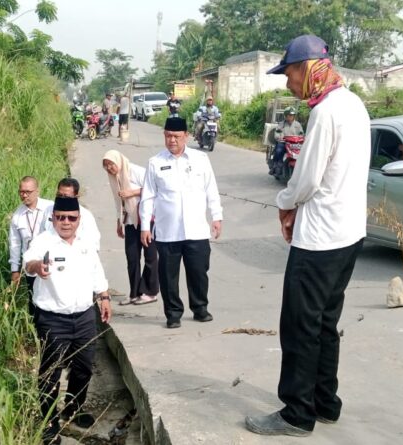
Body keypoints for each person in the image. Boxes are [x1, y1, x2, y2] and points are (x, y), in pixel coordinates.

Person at [244, 34, 370, 437]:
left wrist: (285, 202)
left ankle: (297, 412)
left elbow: (308, 178)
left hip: (319, 238)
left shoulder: (327, 112)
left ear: (308, 69)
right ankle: (324, 401)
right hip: (349, 234)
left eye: (289, 74)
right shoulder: (354, 104)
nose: (288, 84)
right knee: (325, 323)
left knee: (300, 324)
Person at [23, 196, 112, 445]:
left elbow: (97, 273)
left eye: (71, 218)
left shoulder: (85, 244)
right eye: (60, 217)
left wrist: (104, 296)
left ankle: (73, 407)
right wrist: (37, 267)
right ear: (53, 218)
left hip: (84, 317)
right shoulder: (43, 241)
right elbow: (28, 262)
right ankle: (49, 424)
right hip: (53, 320)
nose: (65, 222)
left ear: (78, 220)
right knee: (50, 373)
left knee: (83, 368)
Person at [140, 117, 223, 328]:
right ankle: (173, 314)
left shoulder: (200, 159)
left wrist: (216, 216)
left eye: (176, 136)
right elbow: (148, 196)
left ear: (186, 136)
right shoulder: (155, 163)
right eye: (168, 136)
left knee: (198, 271)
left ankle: (200, 308)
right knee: (168, 276)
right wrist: (144, 227)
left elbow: (210, 189)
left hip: (196, 229)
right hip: (168, 231)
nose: (172, 140)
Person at [102, 150, 159, 305]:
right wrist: (118, 222)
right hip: (129, 221)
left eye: (111, 164)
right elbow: (117, 201)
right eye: (106, 166)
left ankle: (150, 292)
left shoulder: (134, 170)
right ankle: (134, 292)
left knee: (150, 255)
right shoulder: (114, 178)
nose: (109, 168)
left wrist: (131, 192)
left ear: (118, 161)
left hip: (147, 219)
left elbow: (153, 188)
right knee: (132, 257)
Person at [9, 176, 53, 314]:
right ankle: (37, 332)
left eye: (28, 191)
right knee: (34, 302)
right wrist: (15, 270)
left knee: (52, 300)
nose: (24, 195)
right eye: (21, 192)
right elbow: (15, 244)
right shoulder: (17, 216)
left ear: (37, 191)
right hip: (31, 265)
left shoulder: (50, 208)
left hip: (51, 263)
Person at [43, 178, 101, 252]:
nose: (62, 199)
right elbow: (42, 233)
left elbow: (94, 244)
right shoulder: (48, 210)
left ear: (76, 196)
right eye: (59, 195)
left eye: (66, 196)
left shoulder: (86, 216)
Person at [271, 107, 305, 175]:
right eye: (288, 115)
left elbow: (302, 134)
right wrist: (279, 137)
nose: (289, 117)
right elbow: (277, 133)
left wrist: (302, 138)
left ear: (294, 116)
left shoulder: (298, 125)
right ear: (285, 116)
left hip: (295, 144)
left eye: (291, 115)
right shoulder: (281, 124)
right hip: (284, 143)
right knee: (278, 150)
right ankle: (276, 165)